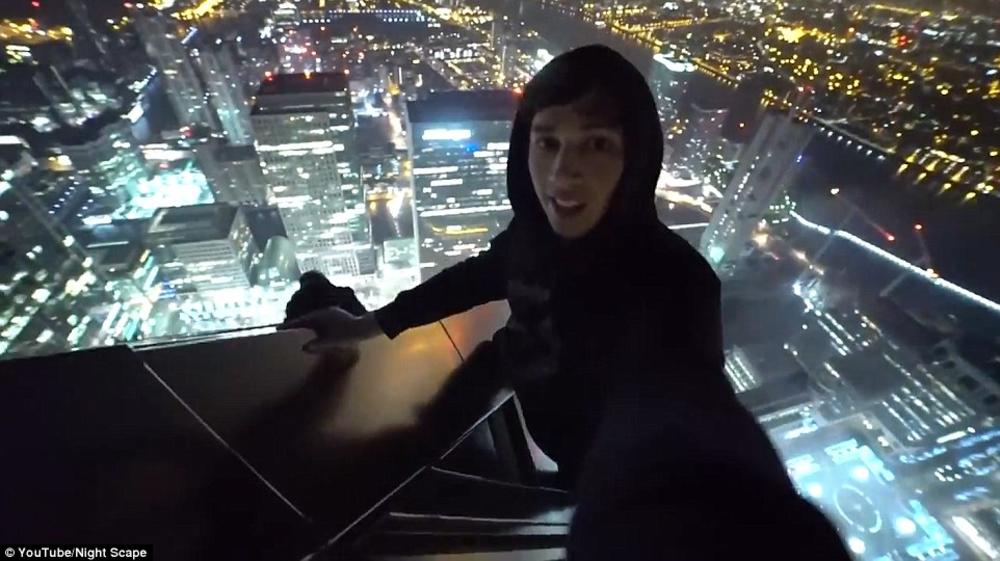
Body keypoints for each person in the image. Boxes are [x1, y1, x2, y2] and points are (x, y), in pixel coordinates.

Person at [281, 45, 851, 559]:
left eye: (596, 144)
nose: (562, 171)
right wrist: (366, 324)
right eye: (547, 141)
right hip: (512, 387)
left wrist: (691, 519)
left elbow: (681, 399)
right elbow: (475, 278)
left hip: (593, 467)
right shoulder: (532, 236)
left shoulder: (675, 282)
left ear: (634, 159)